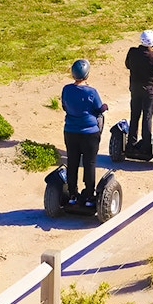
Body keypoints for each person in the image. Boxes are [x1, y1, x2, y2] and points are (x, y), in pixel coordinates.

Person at [62, 59, 108, 207]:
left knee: (72, 162)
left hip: (70, 131)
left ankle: (72, 195)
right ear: (87, 74)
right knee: (89, 163)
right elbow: (99, 108)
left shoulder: (66, 89)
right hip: (89, 133)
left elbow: (64, 106)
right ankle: (89, 196)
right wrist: (104, 107)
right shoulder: (91, 92)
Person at [124, 29, 153, 157]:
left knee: (134, 116)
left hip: (135, 88)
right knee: (147, 117)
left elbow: (127, 65)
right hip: (149, 90)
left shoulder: (132, 52)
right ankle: (146, 147)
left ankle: (131, 144)